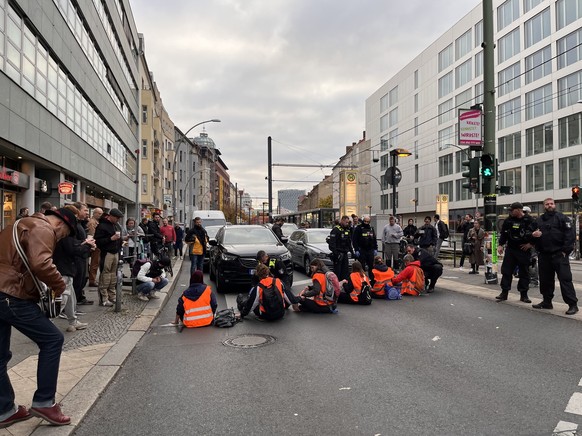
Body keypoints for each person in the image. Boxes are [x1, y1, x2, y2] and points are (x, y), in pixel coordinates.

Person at [0, 207, 79, 428]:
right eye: (64, 235)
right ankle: (45, 402)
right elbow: (41, 263)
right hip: (12, 295)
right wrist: (59, 285)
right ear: (62, 226)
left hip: (2, 292)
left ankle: (5, 410)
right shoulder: (44, 228)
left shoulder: (17, 224)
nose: (61, 239)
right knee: (53, 339)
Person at [531, 198, 579, 315]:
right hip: (544, 255)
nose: (549, 206)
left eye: (551, 204)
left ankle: (573, 305)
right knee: (545, 280)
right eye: (547, 204)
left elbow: (570, 235)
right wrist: (533, 235)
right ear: (544, 206)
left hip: (559, 254)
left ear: (555, 205)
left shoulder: (562, 218)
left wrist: (565, 251)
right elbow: (530, 235)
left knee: (565, 279)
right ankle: (547, 302)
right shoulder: (539, 220)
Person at [53, 206, 94, 332]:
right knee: (63, 297)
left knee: (70, 297)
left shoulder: (63, 231)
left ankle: (73, 321)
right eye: (74, 216)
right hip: (63, 267)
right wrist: (87, 246)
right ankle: (46, 323)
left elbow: (72, 247)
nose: (76, 219)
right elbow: (71, 249)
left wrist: (84, 245)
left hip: (65, 266)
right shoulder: (65, 232)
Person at [496, 202, 535, 304]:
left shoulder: (529, 220)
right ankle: (504, 293)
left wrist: (531, 244)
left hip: (524, 250)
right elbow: (503, 234)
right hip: (511, 249)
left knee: (524, 273)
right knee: (506, 271)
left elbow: (537, 233)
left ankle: (524, 295)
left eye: (512, 210)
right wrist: (500, 245)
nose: (510, 212)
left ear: (518, 210)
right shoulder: (508, 220)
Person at [94, 208, 124, 306]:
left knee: (113, 276)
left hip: (115, 252)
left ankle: (112, 296)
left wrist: (121, 241)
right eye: (117, 218)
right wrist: (111, 239)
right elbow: (98, 241)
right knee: (105, 276)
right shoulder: (102, 226)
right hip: (107, 253)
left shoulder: (115, 225)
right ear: (111, 216)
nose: (118, 220)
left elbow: (117, 238)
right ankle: (104, 299)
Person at [352, 215, 377, 281]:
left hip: (370, 250)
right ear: (363, 221)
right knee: (361, 267)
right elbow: (355, 240)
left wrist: (375, 248)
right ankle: (362, 280)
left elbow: (374, 239)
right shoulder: (358, 228)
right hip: (361, 250)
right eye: (365, 221)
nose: (366, 223)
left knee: (371, 266)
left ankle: (372, 280)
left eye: (367, 221)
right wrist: (356, 249)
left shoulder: (371, 228)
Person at [328, 215, 353, 281]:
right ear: (342, 221)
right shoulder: (336, 230)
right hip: (338, 254)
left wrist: (352, 253)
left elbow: (349, 243)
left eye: (348, 222)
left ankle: (344, 287)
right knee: (337, 272)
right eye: (346, 222)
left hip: (345, 254)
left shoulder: (347, 230)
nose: (347, 224)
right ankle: (336, 288)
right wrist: (336, 254)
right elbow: (332, 244)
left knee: (345, 272)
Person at [87, 207, 103, 286]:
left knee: (95, 263)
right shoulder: (92, 222)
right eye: (99, 213)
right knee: (94, 263)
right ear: (95, 213)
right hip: (95, 244)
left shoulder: (96, 222)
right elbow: (91, 234)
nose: (100, 215)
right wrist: (93, 245)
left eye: (101, 214)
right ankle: (92, 280)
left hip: (96, 244)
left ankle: (92, 279)